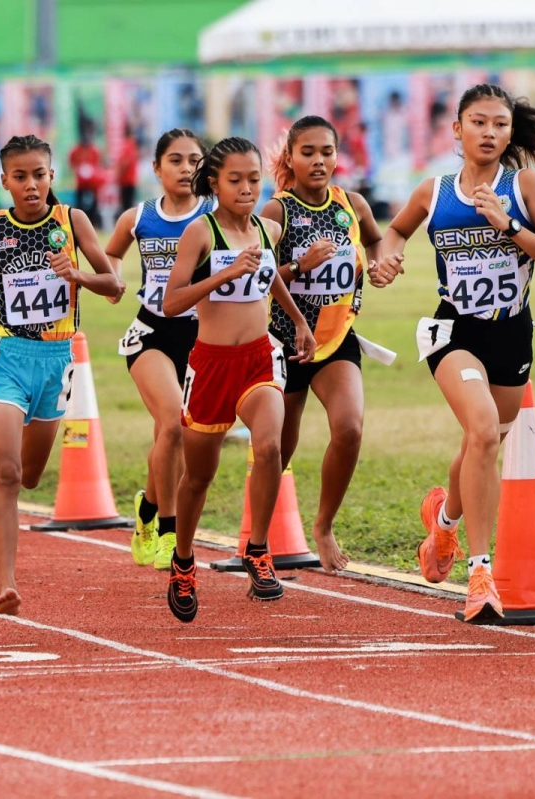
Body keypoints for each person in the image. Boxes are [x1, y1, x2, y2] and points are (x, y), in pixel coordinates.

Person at [371, 84, 535, 622]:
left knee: (484, 440)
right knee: (483, 430)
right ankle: (480, 574)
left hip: (512, 333)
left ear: (510, 132)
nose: (489, 133)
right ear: (456, 129)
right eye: (478, 122)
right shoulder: (433, 191)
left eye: (500, 124)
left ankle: (443, 524)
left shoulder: (523, 184)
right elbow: (394, 231)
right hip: (454, 330)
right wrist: (386, 259)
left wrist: (508, 226)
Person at [0, 135, 124, 615]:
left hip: (56, 359)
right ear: (4, 181)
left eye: (39, 175)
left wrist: (79, 276)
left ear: (51, 176)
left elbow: (116, 286)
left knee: (32, 476)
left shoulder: (72, 221)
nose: (30, 185)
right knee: (7, 473)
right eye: (20, 176)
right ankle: (6, 584)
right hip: (5, 355)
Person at [162, 137, 316, 623]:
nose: (248, 188)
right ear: (214, 182)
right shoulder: (200, 234)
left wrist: (300, 322)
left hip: (258, 356)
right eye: (236, 180)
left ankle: (257, 548)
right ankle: (183, 561)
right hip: (210, 366)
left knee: (269, 447)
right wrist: (220, 276)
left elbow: (270, 279)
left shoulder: (267, 230)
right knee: (198, 477)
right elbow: (171, 303)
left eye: (254, 179)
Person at [260, 115, 385, 575]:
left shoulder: (351, 204)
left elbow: (377, 242)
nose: (318, 161)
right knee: (276, 449)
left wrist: (382, 264)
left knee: (350, 428)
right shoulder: (277, 212)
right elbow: (258, 277)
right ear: (290, 157)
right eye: (307, 152)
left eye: (326, 152)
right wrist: (298, 266)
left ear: (337, 155)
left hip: (335, 339)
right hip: (285, 344)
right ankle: (259, 540)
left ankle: (324, 525)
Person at [103, 128, 212, 571]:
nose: (186, 169)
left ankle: (147, 508)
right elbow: (111, 255)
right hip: (152, 332)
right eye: (176, 160)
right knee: (172, 426)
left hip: (202, 337)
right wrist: (115, 280)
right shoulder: (138, 217)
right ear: (156, 168)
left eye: (194, 161)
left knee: (173, 437)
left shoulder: (214, 216)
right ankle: (167, 530)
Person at [68, 132, 102, 229]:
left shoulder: (93, 150)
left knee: (94, 204)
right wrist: (77, 170)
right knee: (79, 204)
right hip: (81, 183)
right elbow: (71, 162)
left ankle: (93, 222)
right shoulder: (76, 150)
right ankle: (79, 224)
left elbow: (97, 164)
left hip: (92, 183)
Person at [115, 130, 140, 216]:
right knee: (128, 205)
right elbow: (126, 162)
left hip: (126, 180)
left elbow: (125, 162)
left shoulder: (127, 146)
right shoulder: (131, 146)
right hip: (129, 179)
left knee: (126, 205)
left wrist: (118, 175)